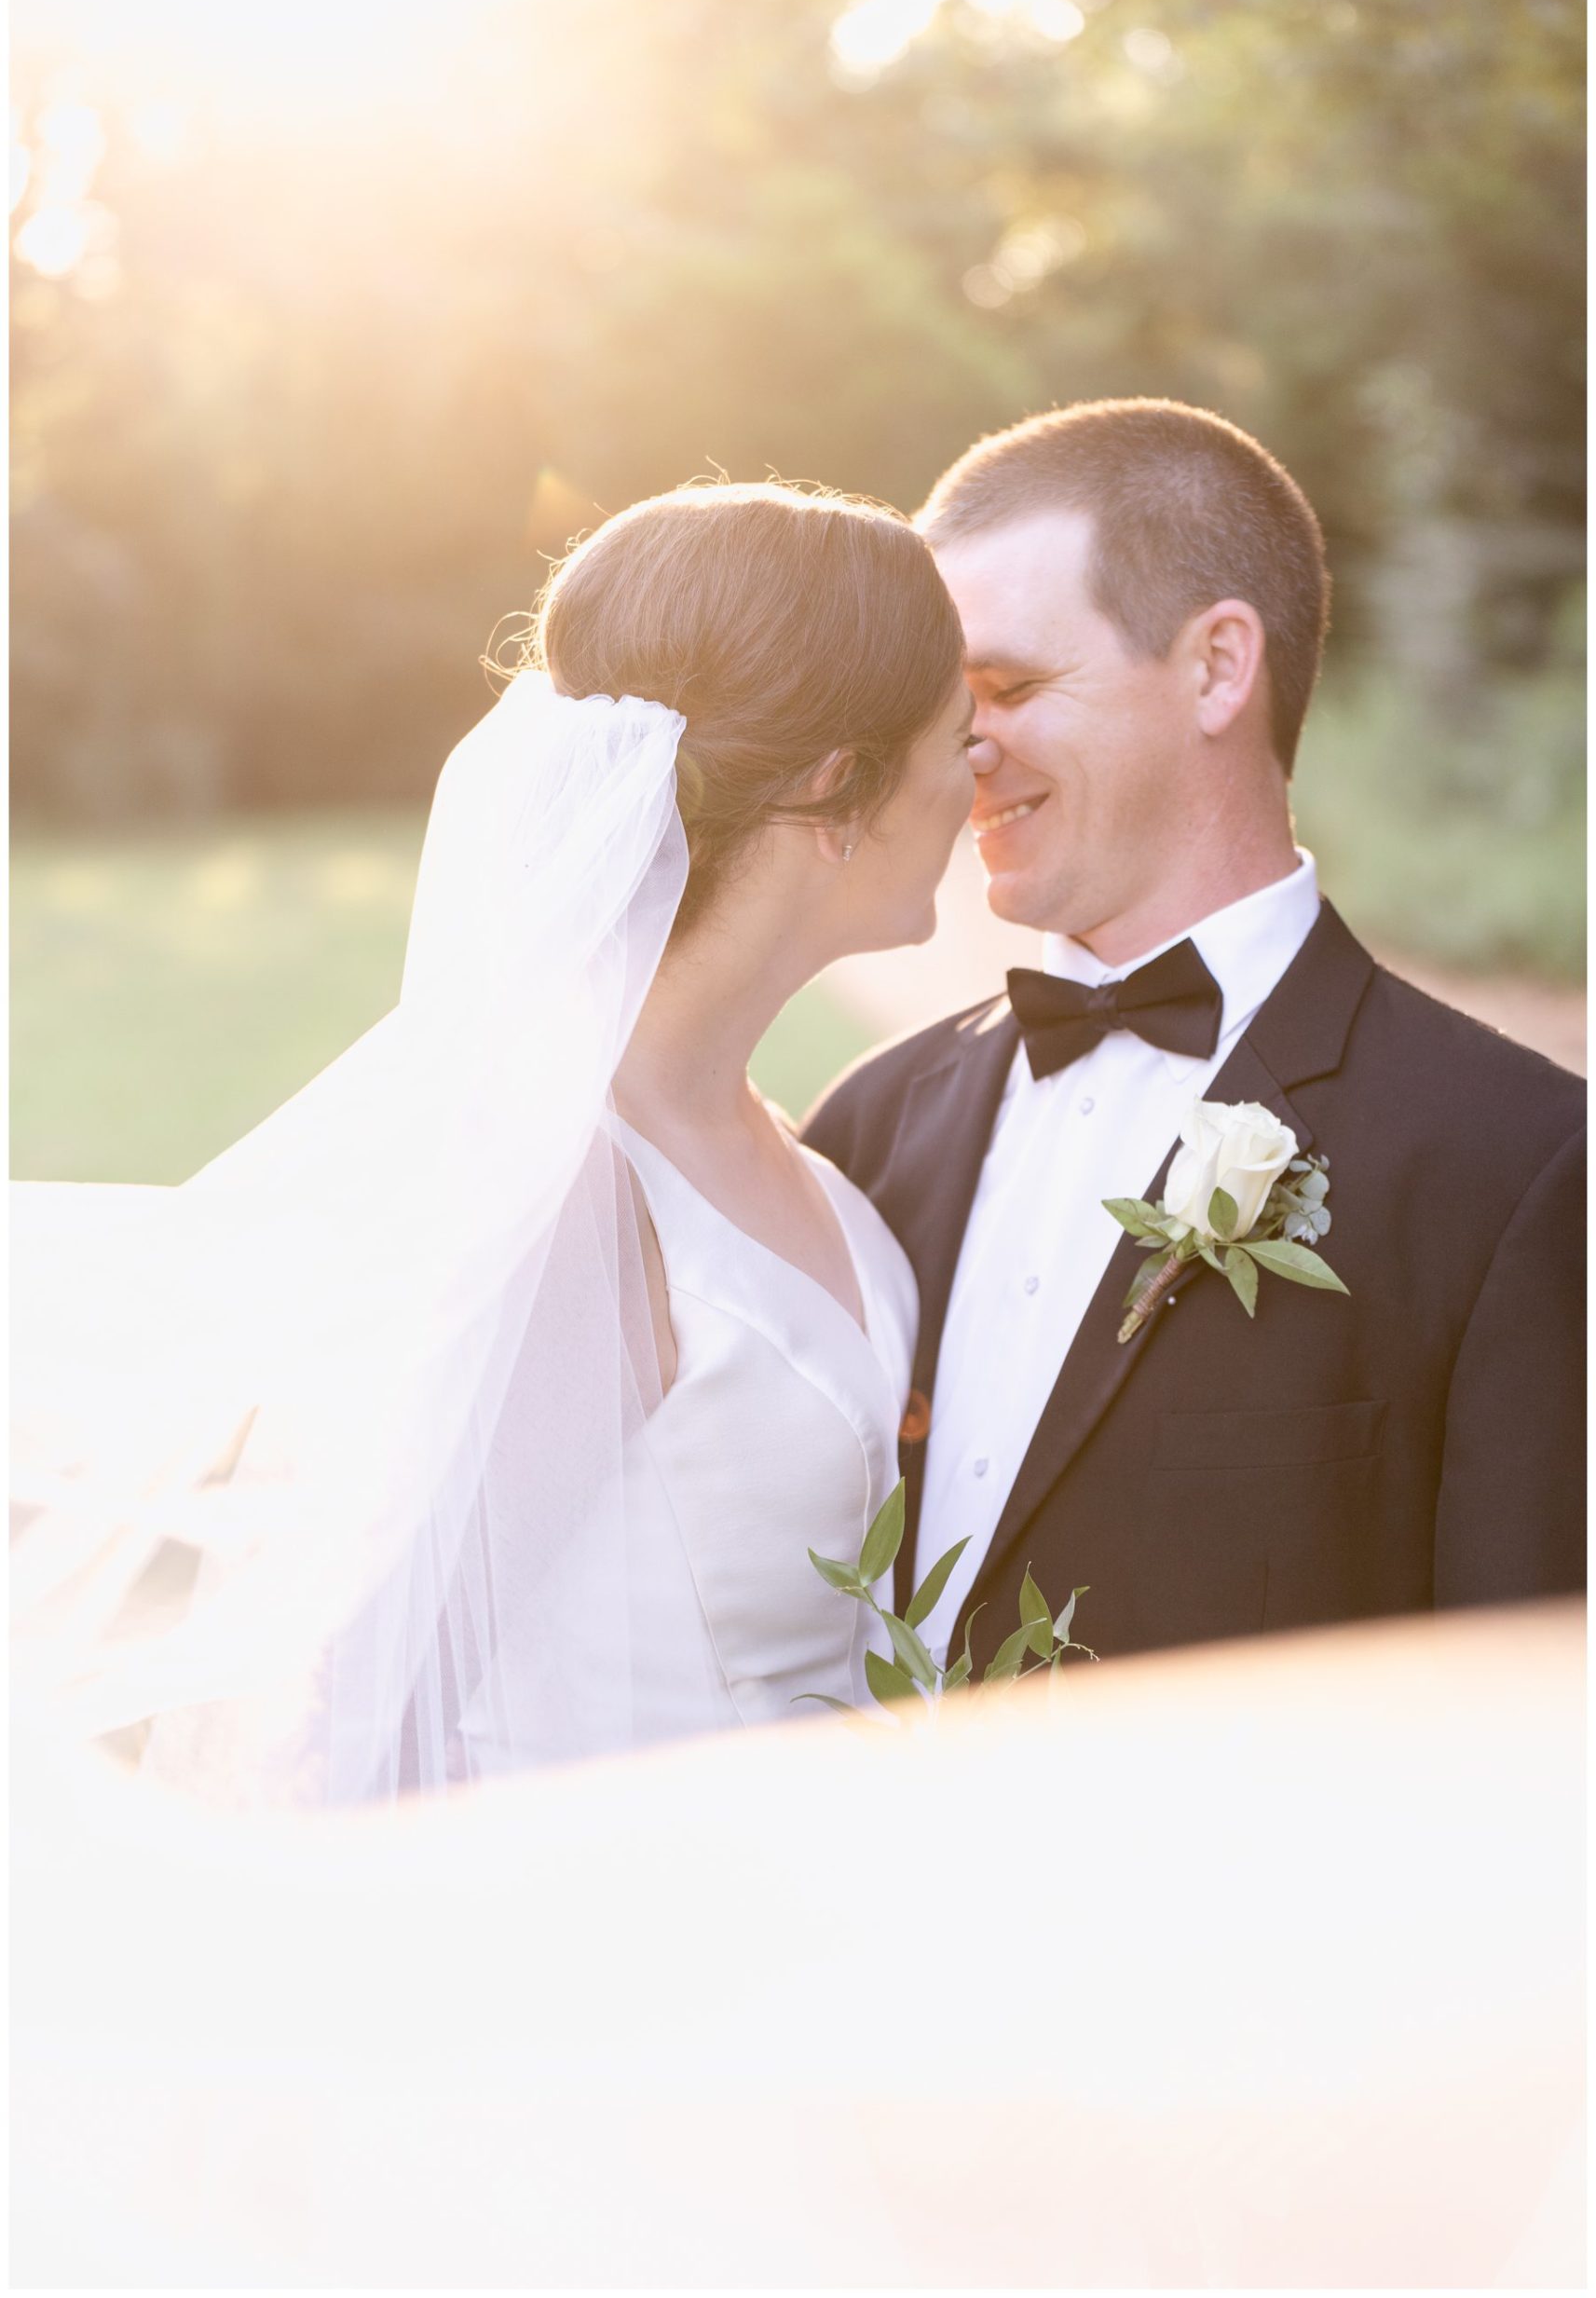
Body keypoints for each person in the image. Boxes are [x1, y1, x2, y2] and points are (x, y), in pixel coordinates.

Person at [11, 481, 976, 1799]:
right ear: (837, 787)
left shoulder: (793, 1155)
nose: (974, 782)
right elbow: (369, 1702)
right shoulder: (569, 1198)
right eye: (957, 738)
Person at [804, 399, 1586, 1673]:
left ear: (1219, 665)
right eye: (946, 704)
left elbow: (1520, 1727)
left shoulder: (1517, 1170)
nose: (960, 749)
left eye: (1006, 686)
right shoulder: (866, 1125)